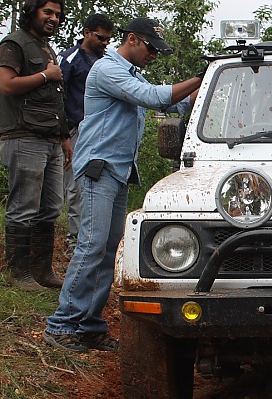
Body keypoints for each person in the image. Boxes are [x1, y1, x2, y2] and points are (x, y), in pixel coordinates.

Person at [43, 18, 202, 353]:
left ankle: (88, 325)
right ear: (132, 39)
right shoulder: (107, 70)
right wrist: (199, 77)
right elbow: (155, 97)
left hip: (116, 171)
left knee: (106, 249)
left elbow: (175, 103)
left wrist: (213, 84)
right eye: (151, 49)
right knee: (91, 244)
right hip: (99, 169)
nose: (154, 57)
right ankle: (61, 324)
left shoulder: (130, 74)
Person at [0, 0, 71, 291]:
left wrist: (64, 137)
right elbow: (7, 85)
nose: (53, 18)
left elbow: (55, 99)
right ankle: (19, 274)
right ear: (33, 11)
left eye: (57, 14)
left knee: (51, 207)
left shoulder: (46, 48)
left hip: (51, 139)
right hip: (23, 136)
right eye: (47, 12)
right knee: (24, 207)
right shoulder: (15, 43)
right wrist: (45, 75)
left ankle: (42, 271)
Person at [57, 13, 115, 256]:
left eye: (108, 39)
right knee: (76, 186)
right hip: (76, 129)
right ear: (86, 32)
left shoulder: (108, 60)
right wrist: (63, 135)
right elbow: (57, 96)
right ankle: (76, 239)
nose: (104, 43)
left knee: (102, 185)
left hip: (104, 132)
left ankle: (98, 240)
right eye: (101, 37)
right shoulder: (70, 59)